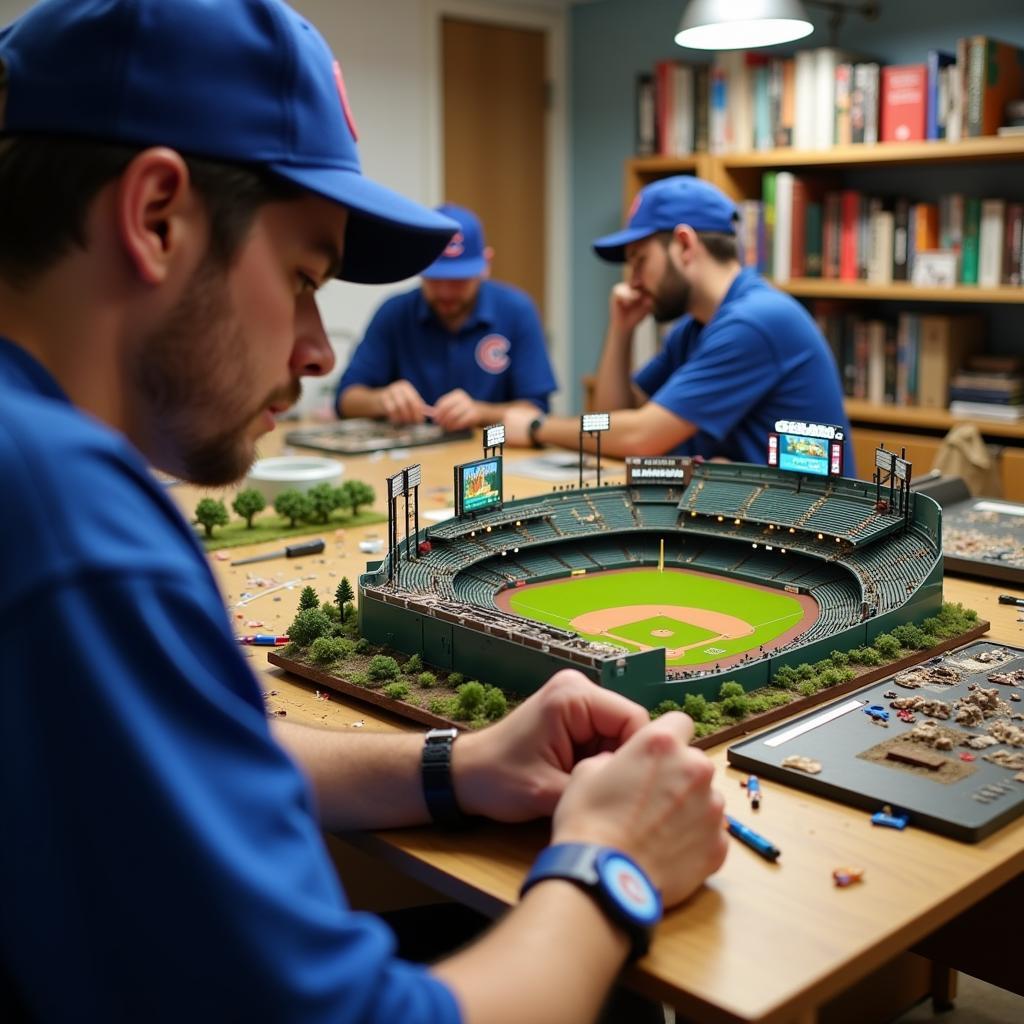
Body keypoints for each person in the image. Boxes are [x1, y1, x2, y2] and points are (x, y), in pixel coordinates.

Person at [0, 3, 727, 1022]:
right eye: (302, 277)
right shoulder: (71, 520)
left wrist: (459, 761)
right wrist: (612, 866)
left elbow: (206, 753)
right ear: (157, 215)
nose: (316, 346)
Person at [504, 176, 855, 474]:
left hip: (801, 538)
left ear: (684, 245)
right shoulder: (696, 328)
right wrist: (621, 330)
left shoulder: (754, 322)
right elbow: (612, 424)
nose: (634, 281)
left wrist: (537, 427)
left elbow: (639, 436)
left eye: (640, 261)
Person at [336, 202, 558, 431]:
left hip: (488, 456)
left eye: (458, 280)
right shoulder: (394, 312)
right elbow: (346, 400)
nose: (445, 292)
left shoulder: (517, 311)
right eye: (434, 278)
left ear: (485, 265)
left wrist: (480, 412)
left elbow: (536, 410)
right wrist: (382, 400)